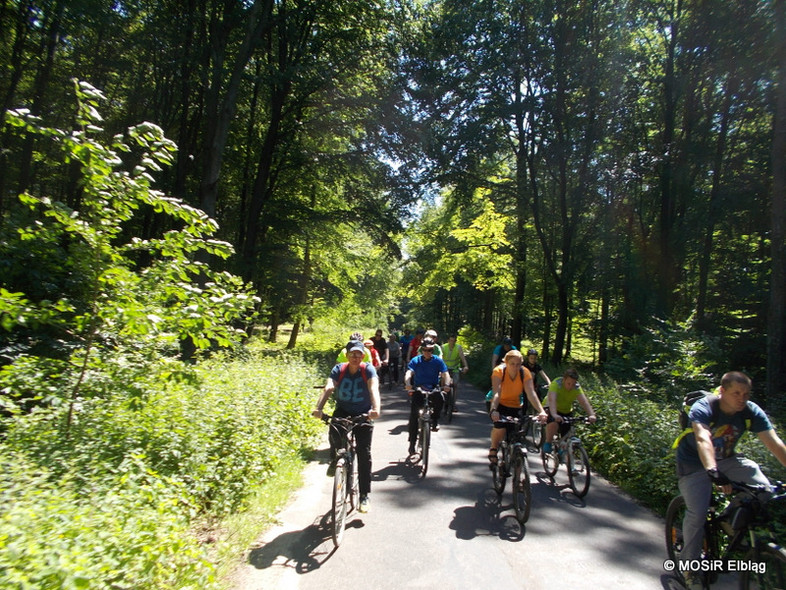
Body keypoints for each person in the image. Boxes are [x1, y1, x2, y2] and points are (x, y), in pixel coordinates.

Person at [675, 371, 786, 589]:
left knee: (763, 489)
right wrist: (713, 471)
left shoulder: (750, 411)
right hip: (695, 464)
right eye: (736, 393)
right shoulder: (705, 407)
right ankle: (691, 569)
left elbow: (774, 444)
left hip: (727, 460)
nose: (742, 398)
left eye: (746, 394)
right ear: (722, 391)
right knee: (697, 514)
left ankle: (727, 518)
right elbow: (702, 438)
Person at [313, 340, 381, 513]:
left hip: (363, 414)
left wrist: (376, 409)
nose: (355, 357)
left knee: (364, 453)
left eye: (359, 353)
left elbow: (374, 389)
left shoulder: (368, 369)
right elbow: (328, 387)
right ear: (347, 354)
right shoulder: (339, 369)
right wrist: (319, 408)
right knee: (334, 436)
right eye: (352, 353)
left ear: (363, 355)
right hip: (343, 411)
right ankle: (335, 459)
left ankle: (364, 495)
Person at [488, 350, 547, 466]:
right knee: (500, 427)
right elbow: (497, 393)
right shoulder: (498, 371)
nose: (515, 367)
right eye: (512, 364)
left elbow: (531, 393)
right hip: (498, 403)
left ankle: (518, 471)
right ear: (506, 362)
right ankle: (494, 448)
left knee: (515, 434)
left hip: (515, 405)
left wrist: (541, 411)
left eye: (518, 364)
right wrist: (494, 410)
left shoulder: (524, 372)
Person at [404, 338, 450, 455]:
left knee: (440, 398)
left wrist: (447, 384)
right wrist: (408, 383)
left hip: (433, 387)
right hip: (419, 388)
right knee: (414, 416)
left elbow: (445, 373)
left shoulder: (438, 361)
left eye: (429, 350)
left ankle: (434, 419)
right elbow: (409, 373)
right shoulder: (416, 360)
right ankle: (412, 444)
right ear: (422, 349)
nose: (427, 352)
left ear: (433, 350)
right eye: (425, 350)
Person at [541, 368, 597, 453]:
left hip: (566, 410)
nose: (570, 386)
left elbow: (584, 402)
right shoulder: (557, 384)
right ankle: (548, 442)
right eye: (568, 383)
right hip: (551, 407)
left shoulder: (576, 387)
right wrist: (554, 415)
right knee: (554, 424)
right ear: (564, 380)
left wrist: (591, 414)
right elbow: (552, 400)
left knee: (567, 432)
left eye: (573, 384)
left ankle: (563, 450)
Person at [442, 333, 469, 411]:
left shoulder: (458, 348)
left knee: (455, 384)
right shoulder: (443, 347)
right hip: (445, 368)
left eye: (454, 341)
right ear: (448, 340)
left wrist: (466, 366)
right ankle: (442, 398)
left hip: (455, 368)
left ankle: (453, 404)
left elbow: (462, 358)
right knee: (443, 383)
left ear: (455, 341)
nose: (452, 342)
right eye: (450, 340)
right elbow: (440, 359)